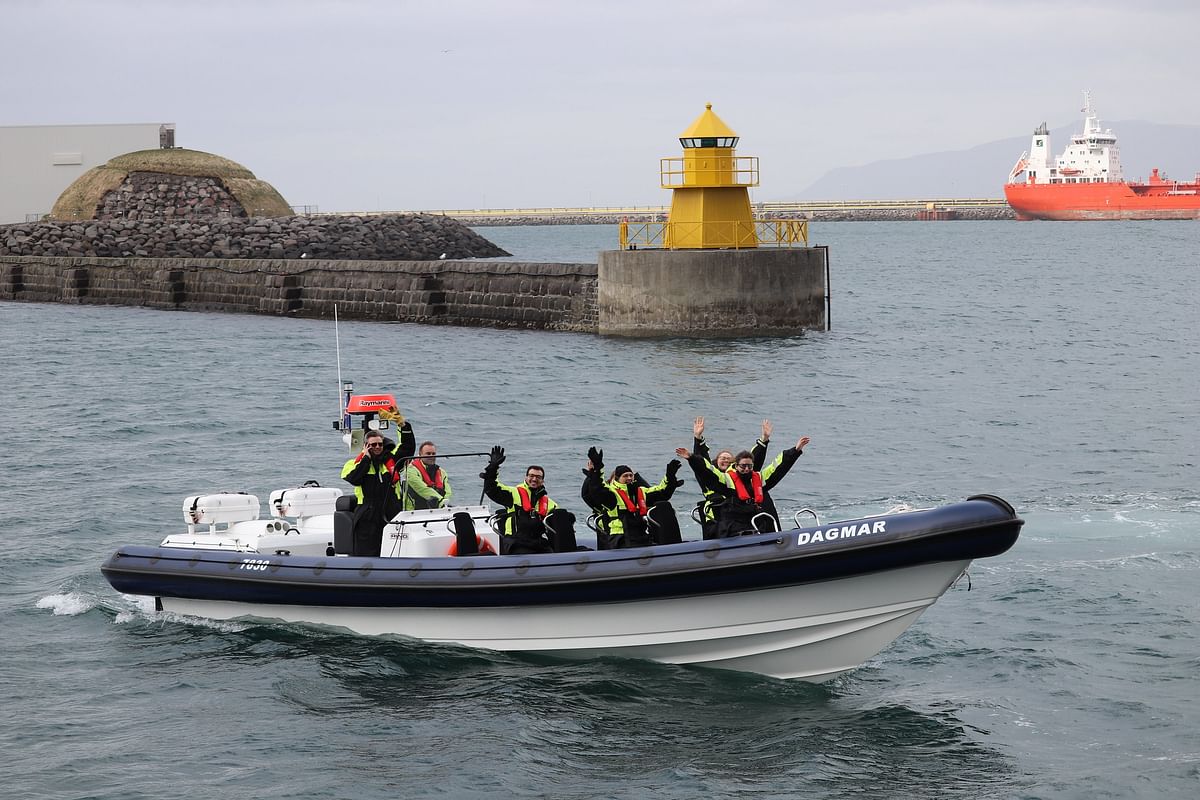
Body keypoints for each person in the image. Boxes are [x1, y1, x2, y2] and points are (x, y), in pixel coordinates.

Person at [676, 432, 810, 538]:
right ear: (736, 466)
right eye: (743, 466)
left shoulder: (758, 478)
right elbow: (705, 469)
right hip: (732, 524)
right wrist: (692, 456)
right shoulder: (726, 480)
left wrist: (796, 450)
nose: (746, 469)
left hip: (753, 520)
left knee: (765, 498)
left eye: (749, 466)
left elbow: (777, 467)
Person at [580, 446, 684, 549]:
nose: (629, 478)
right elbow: (597, 488)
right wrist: (597, 468)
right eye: (625, 476)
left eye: (631, 475)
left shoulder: (640, 491)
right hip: (620, 537)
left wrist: (670, 475)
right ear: (617, 478)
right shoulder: (612, 493)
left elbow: (662, 492)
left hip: (640, 534)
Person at [481, 445, 577, 554]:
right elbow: (491, 489)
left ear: (543, 481)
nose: (534, 479)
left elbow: (560, 520)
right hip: (516, 542)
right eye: (531, 476)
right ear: (526, 477)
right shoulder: (513, 493)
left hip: (538, 543)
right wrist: (493, 466)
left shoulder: (550, 504)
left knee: (552, 552)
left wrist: (569, 518)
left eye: (538, 477)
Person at [340, 419, 415, 556]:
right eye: (373, 445)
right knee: (367, 552)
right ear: (366, 446)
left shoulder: (392, 461)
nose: (377, 447)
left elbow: (408, 447)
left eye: (380, 444)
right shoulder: (352, 464)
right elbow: (354, 479)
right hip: (368, 516)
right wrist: (366, 459)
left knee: (395, 550)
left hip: (391, 512)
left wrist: (403, 425)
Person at [689, 417, 771, 539]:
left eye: (729, 459)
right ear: (716, 461)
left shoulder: (741, 473)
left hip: (739, 513)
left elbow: (753, 460)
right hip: (717, 512)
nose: (726, 460)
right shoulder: (710, 475)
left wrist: (764, 440)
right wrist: (698, 438)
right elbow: (701, 462)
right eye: (723, 458)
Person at [402, 440, 452, 510]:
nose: (431, 456)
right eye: (428, 454)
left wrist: (445, 503)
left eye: (433, 454)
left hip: (438, 509)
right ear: (420, 454)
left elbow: (448, 491)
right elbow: (422, 489)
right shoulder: (410, 470)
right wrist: (441, 502)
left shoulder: (442, 472)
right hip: (414, 512)